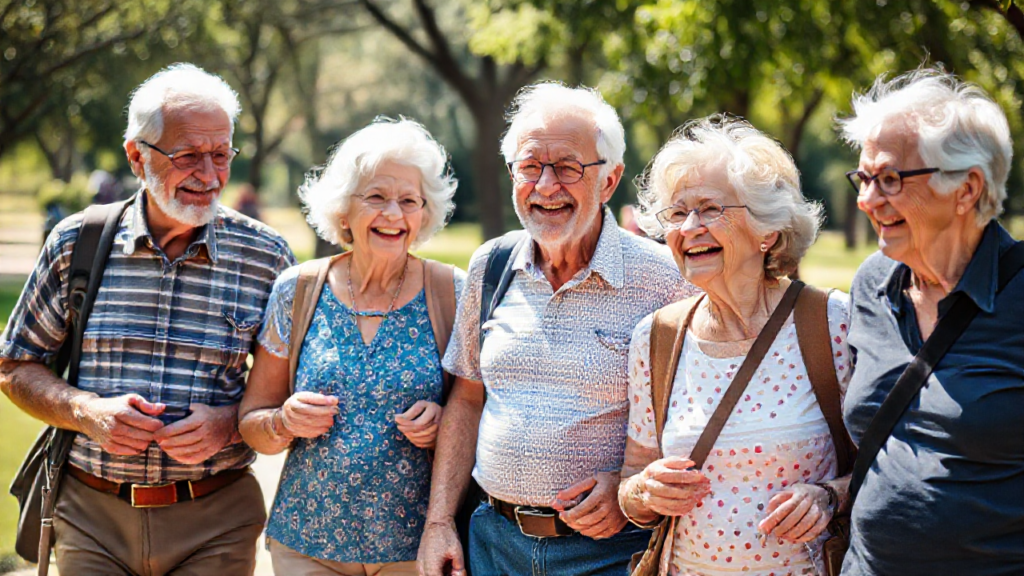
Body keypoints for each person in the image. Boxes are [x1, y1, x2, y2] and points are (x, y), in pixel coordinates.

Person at [0, 63, 295, 575]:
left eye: (221, 155)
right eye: (187, 156)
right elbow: (14, 365)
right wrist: (86, 410)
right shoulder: (77, 243)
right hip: (91, 517)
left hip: (218, 519)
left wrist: (229, 425)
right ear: (137, 155)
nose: (209, 175)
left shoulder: (268, 258)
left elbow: (293, 387)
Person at [417, 82, 698, 576]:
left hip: (611, 552)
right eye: (530, 167)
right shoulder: (491, 265)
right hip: (492, 545)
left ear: (609, 182)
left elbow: (694, 415)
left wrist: (628, 487)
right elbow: (466, 397)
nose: (546, 186)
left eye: (568, 167)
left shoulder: (666, 280)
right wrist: (440, 521)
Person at [618, 115, 853, 576]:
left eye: (709, 209)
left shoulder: (832, 323)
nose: (688, 228)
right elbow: (632, 485)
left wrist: (829, 496)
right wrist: (645, 490)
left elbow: (888, 467)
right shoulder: (656, 338)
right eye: (677, 213)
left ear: (767, 230)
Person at [238, 117, 464, 576]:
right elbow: (252, 422)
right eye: (376, 197)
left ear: (425, 213)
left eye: (409, 201)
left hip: (414, 549)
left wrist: (446, 425)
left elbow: (480, 412)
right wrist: (284, 421)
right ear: (344, 209)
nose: (394, 215)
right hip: (307, 544)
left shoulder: (454, 293)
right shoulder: (297, 290)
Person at [837, 67, 1024, 575]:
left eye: (891, 180)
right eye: (864, 177)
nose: (867, 200)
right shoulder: (872, 285)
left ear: (966, 190)